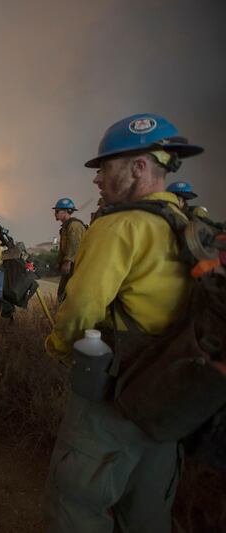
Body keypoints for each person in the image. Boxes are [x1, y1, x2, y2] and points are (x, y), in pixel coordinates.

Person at [44, 113, 203, 532]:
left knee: (76, 501)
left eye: (106, 167)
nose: (97, 180)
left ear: (139, 167)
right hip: (172, 395)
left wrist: (60, 349)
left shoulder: (119, 225)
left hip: (118, 392)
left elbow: (81, 307)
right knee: (149, 514)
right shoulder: (190, 225)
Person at [52, 198, 87, 302]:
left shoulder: (74, 225)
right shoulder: (66, 226)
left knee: (70, 293)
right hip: (71, 264)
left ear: (67, 211)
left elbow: (74, 245)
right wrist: (60, 262)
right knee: (63, 293)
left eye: (57, 211)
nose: (55, 213)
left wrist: (67, 262)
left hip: (75, 264)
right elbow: (64, 247)